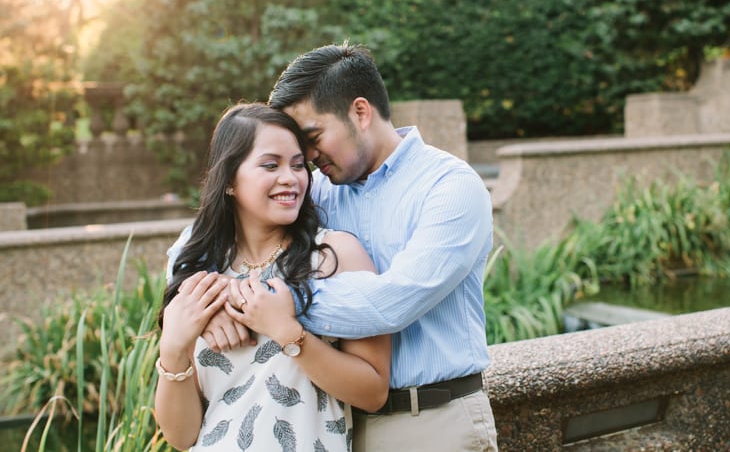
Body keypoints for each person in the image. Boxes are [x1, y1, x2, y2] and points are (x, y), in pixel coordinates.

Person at [167, 44, 498, 451]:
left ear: (360, 112)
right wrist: (197, 299)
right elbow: (197, 241)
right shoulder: (319, 188)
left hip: (429, 420)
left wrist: (270, 305)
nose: (305, 159)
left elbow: (392, 303)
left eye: (312, 137)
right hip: (338, 423)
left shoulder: (449, 188)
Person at [155, 103, 391, 451]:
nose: (291, 178)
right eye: (270, 165)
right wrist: (173, 347)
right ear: (230, 180)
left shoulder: (334, 256)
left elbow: (373, 393)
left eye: (298, 165)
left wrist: (287, 331)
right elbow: (182, 437)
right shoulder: (200, 275)